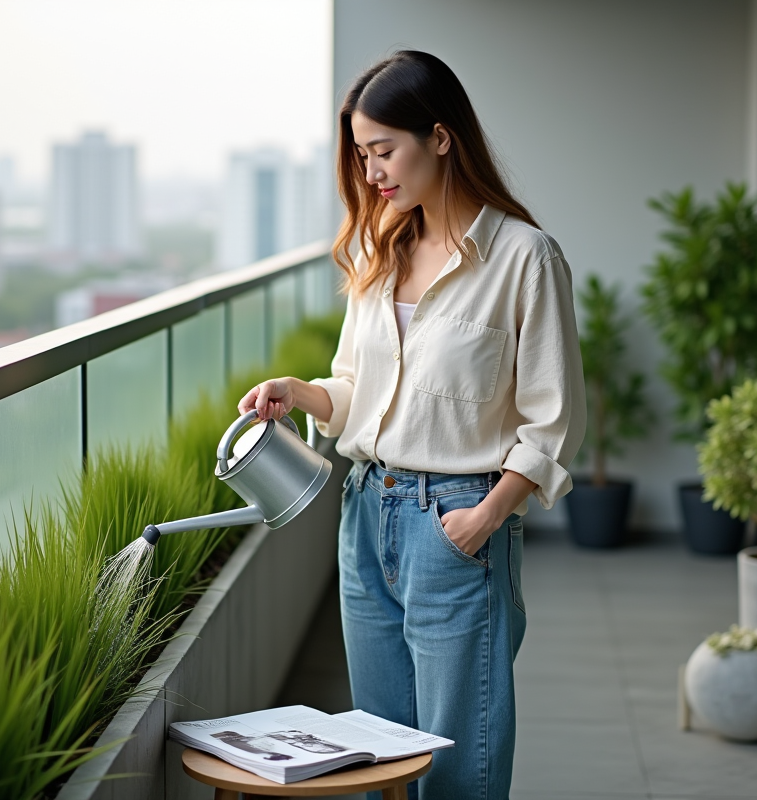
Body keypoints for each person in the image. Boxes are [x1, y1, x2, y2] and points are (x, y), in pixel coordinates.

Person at [238, 50, 585, 800]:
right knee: (376, 753)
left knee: (462, 761)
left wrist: (487, 517)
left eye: (383, 151)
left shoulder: (525, 258)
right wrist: (300, 391)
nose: (371, 174)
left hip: (456, 525)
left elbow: (553, 419)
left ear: (440, 136)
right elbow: (360, 389)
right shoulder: (380, 248)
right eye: (362, 156)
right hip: (365, 515)